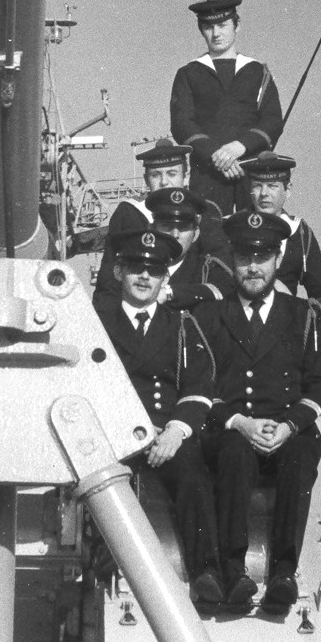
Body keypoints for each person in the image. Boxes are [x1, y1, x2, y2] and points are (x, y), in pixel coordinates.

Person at [180, 209, 321, 611]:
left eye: (262, 258)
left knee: (299, 458)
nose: (253, 268)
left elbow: (319, 384)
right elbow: (199, 384)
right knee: (233, 452)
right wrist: (239, 422)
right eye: (245, 258)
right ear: (232, 260)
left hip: (287, 429)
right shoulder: (208, 316)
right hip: (232, 427)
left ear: (278, 259)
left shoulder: (304, 316)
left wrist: (289, 426)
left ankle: (283, 573)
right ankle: (234, 570)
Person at [95, 228, 219, 592]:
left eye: (154, 270)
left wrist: (176, 431)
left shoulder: (181, 325)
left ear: (165, 277)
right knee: (105, 486)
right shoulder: (96, 324)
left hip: (168, 436)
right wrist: (131, 431)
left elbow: (199, 385)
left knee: (194, 478)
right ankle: (104, 571)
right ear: (119, 271)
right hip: (115, 436)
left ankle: (206, 573)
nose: (144, 277)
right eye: (136, 268)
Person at [244, 152, 321, 385]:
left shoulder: (300, 232)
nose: (264, 194)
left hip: (287, 316)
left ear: (288, 190)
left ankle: (317, 385)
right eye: (257, 186)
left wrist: (309, 309)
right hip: (245, 311)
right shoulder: (235, 226)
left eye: (272, 186)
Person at [169, 0, 283, 216]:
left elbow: (272, 120)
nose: (216, 33)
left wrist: (239, 147)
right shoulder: (188, 73)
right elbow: (181, 124)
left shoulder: (258, 71)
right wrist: (216, 155)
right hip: (207, 176)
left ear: (237, 26)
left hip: (251, 175)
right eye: (208, 27)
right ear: (201, 30)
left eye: (222, 25)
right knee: (208, 231)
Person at [92, 138, 228, 306]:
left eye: (172, 174)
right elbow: (109, 279)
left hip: (192, 307)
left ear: (186, 176)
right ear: (146, 179)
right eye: (156, 175)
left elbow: (221, 271)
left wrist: (172, 293)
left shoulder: (204, 212)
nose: (164, 182)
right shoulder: (130, 214)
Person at [144, 187, 234, 310]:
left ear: (195, 234)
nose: (175, 234)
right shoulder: (135, 267)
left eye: (183, 227)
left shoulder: (207, 271)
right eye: (166, 226)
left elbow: (225, 290)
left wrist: (170, 292)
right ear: (151, 230)